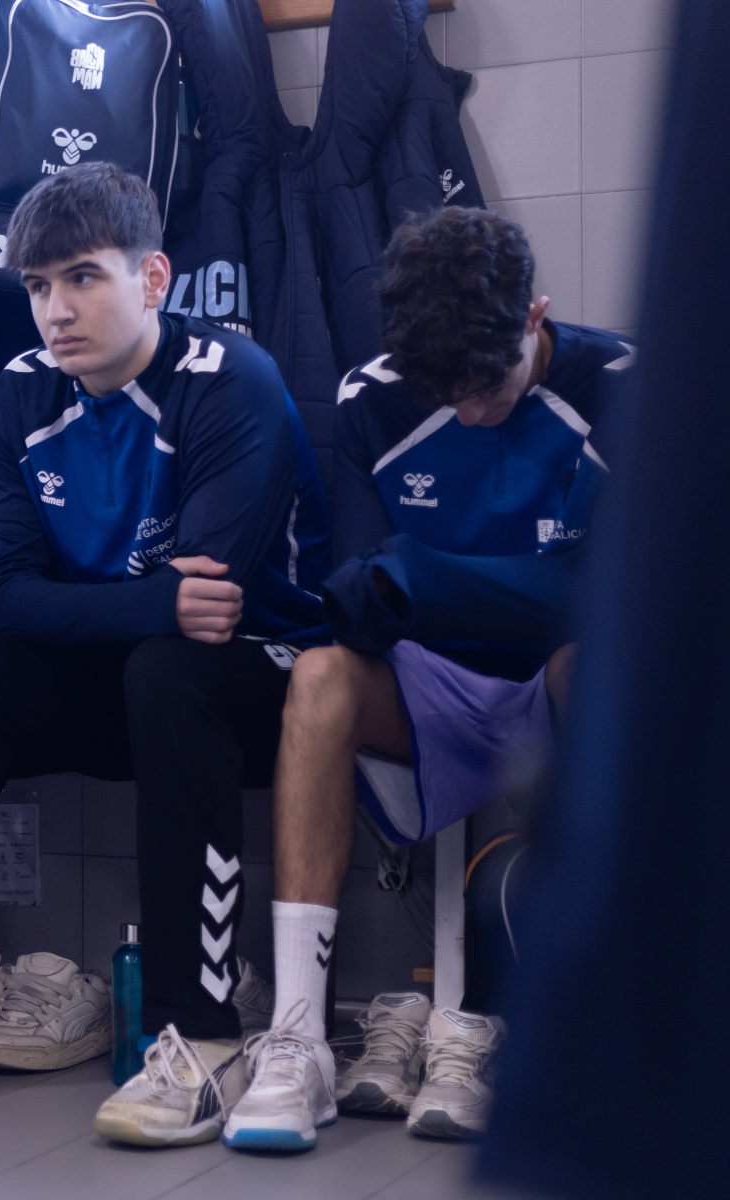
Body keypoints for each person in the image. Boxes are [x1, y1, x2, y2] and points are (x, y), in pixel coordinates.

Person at [0, 164, 331, 1143]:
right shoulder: (23, 390)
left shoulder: (231, 379)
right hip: (127, 662)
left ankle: (202, 1034)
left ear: (153, 277)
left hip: (263, 677)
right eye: (37, 285)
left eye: (83, 278)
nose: (56, 311)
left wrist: (110, 609)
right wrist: (150, 601)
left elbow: (214, 608)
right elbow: (4, 595)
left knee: (171, 670)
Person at [223, 207, 628, 1150]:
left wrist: (428, 578)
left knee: (594, 657)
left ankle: (596, 1024)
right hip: (432, 687)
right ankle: (297, 1041)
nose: (468, 410)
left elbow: (613, 595)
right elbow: (359, 598)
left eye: (486, 383)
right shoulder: (375, 396)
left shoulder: (617, 385)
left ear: (536, 315)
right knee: (321, 675)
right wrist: (420, 589)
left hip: (558, 680)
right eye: (443, 391)